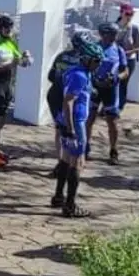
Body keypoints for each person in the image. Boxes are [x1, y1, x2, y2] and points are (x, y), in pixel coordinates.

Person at [53, 41, 105, 217]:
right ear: (88, 59)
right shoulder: (80, 76)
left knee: (66, 159)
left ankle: (58, 196)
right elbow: (68, 100)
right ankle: (70, 205)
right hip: (76, 121)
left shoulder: (79, 72)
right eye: (97, 61)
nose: (99, 64)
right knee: (78, 162)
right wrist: (71, 128)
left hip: (68, 120)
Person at [0, 15, 33, 167]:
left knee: (2, 117)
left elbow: (21, 63)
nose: (9, 29)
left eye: (10, 27)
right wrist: (10, 65)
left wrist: (26, 59)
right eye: (6, 27)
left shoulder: (11, 43)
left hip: (7, 83)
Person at [46, 32, 95, 182]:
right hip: (69, 98)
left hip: (55, 94)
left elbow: (50, 76)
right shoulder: (83, 61)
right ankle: (69, 163)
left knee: (59, 129)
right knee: (71, 128)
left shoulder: (61, 56)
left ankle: (60, 162)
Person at [87, 22, 129, 165]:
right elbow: (85, 67)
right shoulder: (93, 48)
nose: (113, 37)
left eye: (115, 34)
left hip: (111, 89)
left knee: (112, 121)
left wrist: (117, 77)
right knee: (90, 118)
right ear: (103, 34)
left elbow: (125, 71)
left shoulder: (119, 50)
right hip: (95, 87)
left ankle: (113, 150)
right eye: (111, 34)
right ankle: (85, 146)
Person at [115, 3, 139, 110]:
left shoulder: (134, 29)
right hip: (114, 59)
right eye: (127, 13)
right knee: (111, 83)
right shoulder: (114, 27)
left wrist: (126, 53)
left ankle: (119, 107)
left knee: (123, 83)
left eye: (131, 14)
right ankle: (109, 106)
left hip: (129, 60)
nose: (129, 16)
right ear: (121, 13)